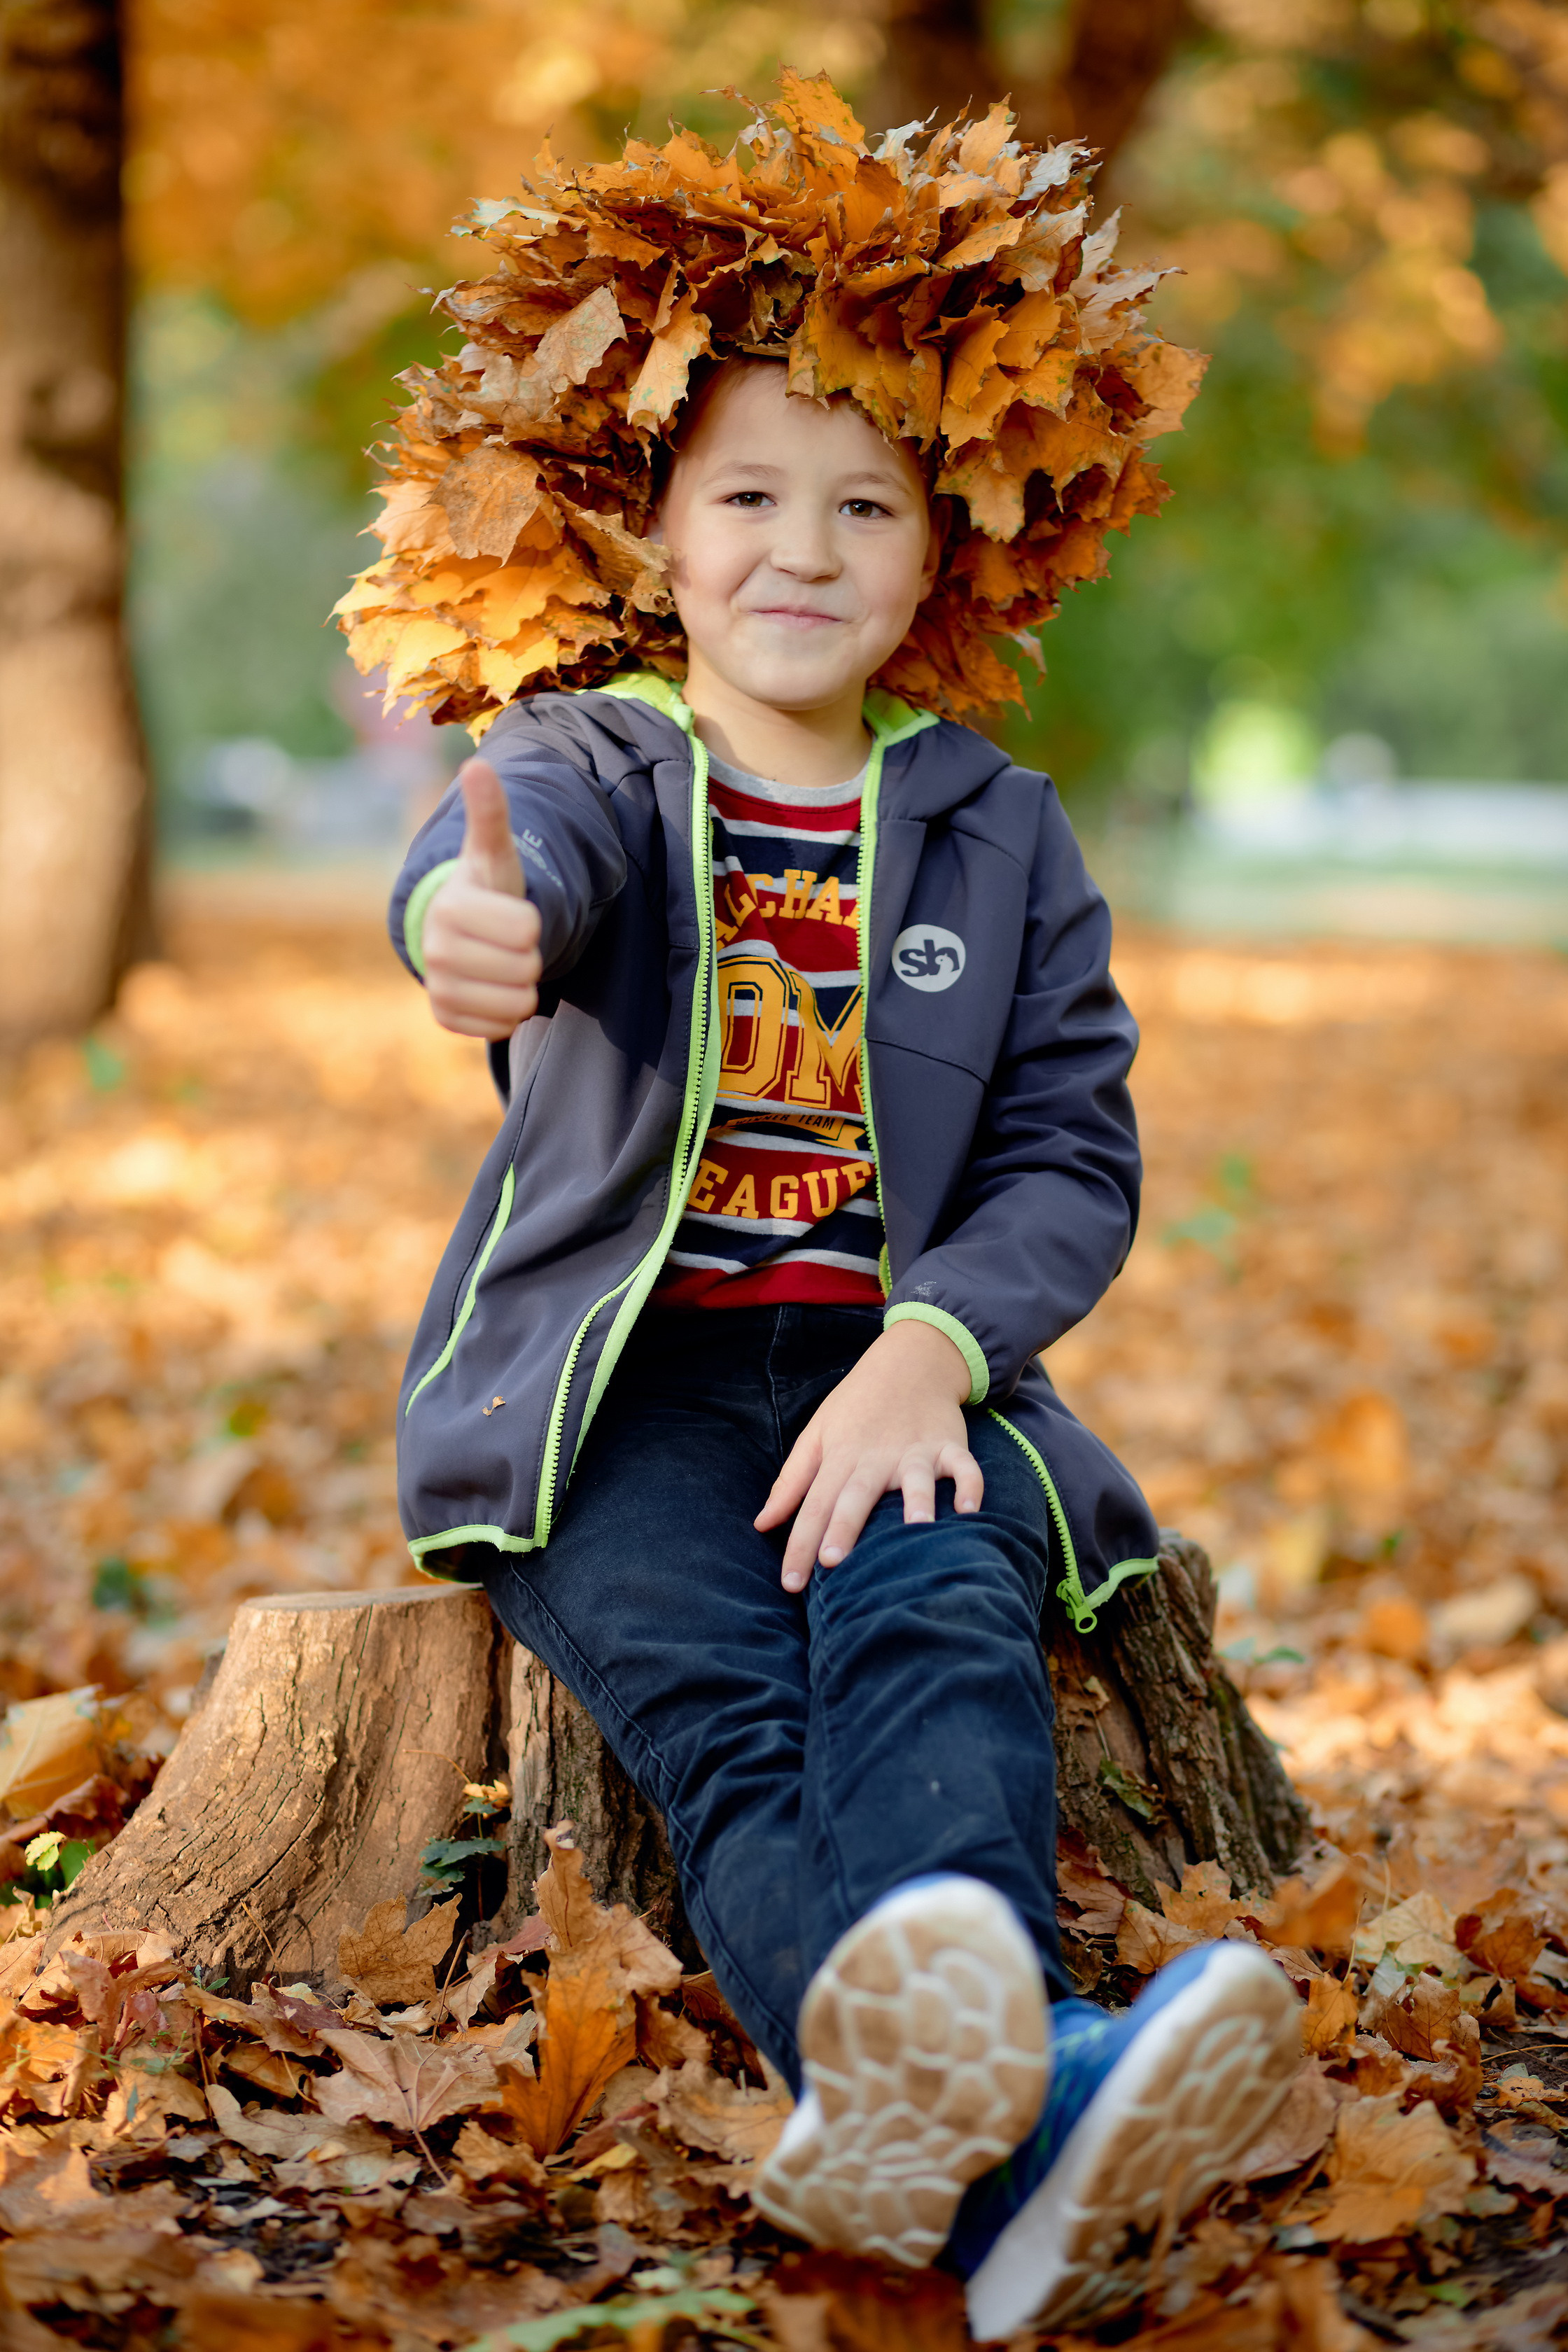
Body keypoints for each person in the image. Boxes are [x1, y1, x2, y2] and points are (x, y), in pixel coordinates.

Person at [356, 84, 1302, 2334]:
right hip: (621, 1394)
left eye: (866, 504)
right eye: (752, 494)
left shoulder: (997, 828)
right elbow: (499, 882)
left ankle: (973, 2125)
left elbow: (1074, 1146)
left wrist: (934, 1350)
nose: (805, 545)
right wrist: (457, 940)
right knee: (722, 1726)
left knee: (938, 1632)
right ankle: (1044, 2104)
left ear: (939, 553)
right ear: (661, 531)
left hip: (898, 1363)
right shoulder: (591, 762)